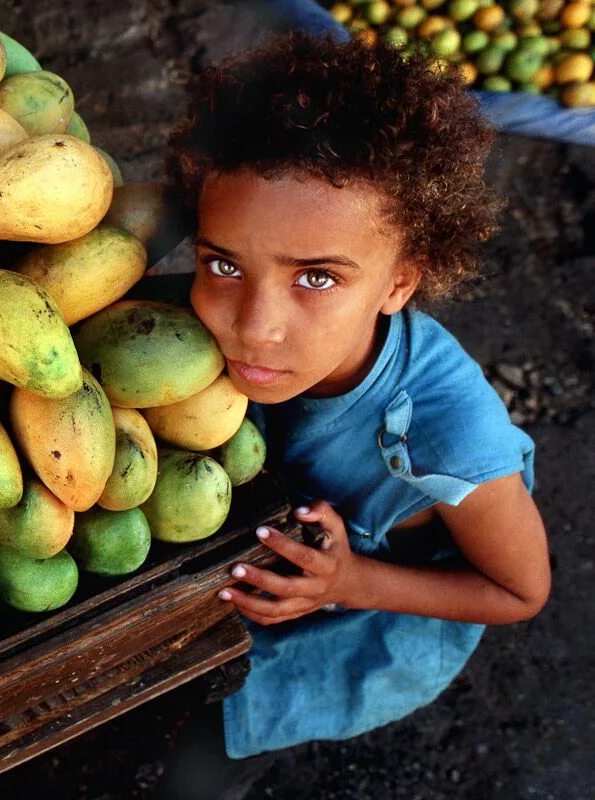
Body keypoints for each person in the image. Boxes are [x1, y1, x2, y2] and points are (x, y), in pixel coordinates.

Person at [161, 31, 552, 798]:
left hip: (355, 624)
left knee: (196, 767)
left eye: (315, 277)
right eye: (224, 263)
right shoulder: (186, 325)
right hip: (257, 572)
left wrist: (347, 580)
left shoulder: (448, 433)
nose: (254, 325)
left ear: (399, 284)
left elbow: (517, 591)